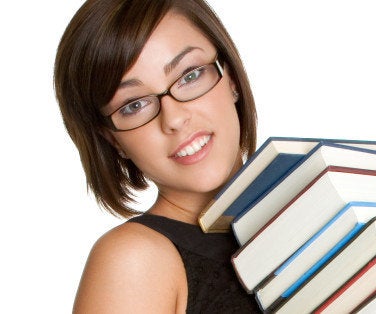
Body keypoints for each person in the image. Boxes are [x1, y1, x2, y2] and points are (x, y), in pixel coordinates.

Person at [54, 0, 260, 312]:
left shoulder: (309, 214)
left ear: (229, 77)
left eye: (189, 75)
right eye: (134, 104)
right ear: (112, 139)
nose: (174, 119)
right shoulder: (134, 260)